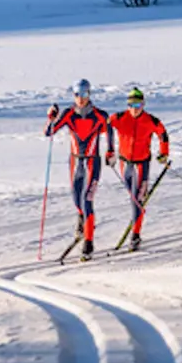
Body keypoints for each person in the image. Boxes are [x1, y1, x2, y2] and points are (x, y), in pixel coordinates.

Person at [46, 78, 113, 260]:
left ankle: (89, 243)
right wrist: (51, 117)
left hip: (92, 162)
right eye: (77, 95)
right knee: (77, 200)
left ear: (89, 94)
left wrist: (110, 151)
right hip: (75, 162)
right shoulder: (69, 114)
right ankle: (82, 221)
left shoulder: (99, 115)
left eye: (84, 94)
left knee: (87, 200)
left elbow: (110, 130)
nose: (81, 98)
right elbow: (49, 132)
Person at [107, 87, 170, 252]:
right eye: (132, 104)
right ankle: (136, 217)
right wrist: (109, 150)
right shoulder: (120, 118)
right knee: (132, 196)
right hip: (125, 163)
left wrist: (163, 153)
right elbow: (104, 125)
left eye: (138, 104)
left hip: (142, 163)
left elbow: (163, 134)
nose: (135, 108)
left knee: (138, 200)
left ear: (143, 104)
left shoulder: (150, 120)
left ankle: (135, 234)